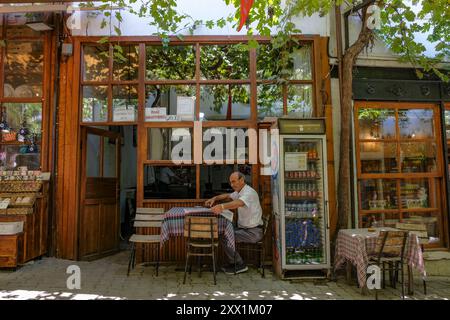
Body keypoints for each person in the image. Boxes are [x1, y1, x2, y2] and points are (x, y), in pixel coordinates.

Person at [205, 171, 263, 274]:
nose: (232, 185)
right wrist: (215, 198)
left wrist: (222, 207)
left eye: (234, 181)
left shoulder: (249, 193)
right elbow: (228, 196)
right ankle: (234, 262)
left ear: (242, 180)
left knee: (225, 236)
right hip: (244, 228)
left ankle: (239, 264)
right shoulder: (240, 192)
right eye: (230, 182)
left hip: (253, 232)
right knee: (225, 229)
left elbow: (239, 203)